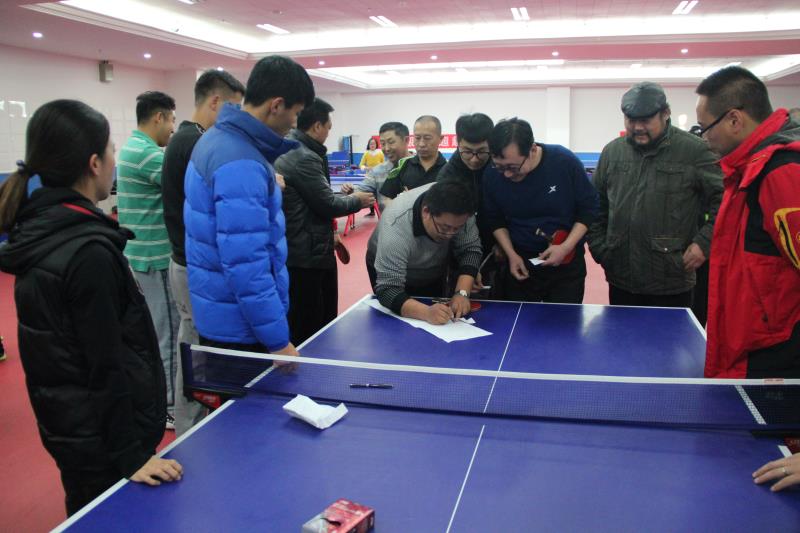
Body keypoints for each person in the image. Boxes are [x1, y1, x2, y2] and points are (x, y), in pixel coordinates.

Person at [0, 100, 183, 516]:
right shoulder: (87, 253)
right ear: (95, 163)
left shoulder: (41, 228)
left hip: (72, 427)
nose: (115, 161)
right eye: (112, 151)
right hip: (103, 443)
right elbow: (104, 363)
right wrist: (130, 455)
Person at [184, 55, 314, 358]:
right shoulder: (241, 162)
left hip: (221, 315)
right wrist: (277, 340)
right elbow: (246, 264)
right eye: (296, 113)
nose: (295, 123)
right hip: (240, 329)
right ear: (276, 105)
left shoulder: (216, 139)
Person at [695, 66, 800, 378]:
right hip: (754, 345)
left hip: (776, 355)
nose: (704, 139)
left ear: (734, 120)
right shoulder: (747, 168)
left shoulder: (782, 172)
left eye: (705, 128)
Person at [587, 82, 723, 308]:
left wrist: (704, 243)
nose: (638, 127)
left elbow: (725, 199)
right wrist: (601, 249)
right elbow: (595, 205)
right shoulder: (612, 152)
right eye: (631, 120)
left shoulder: (695, 151)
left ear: (665, 113)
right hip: (621, 277)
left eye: (645, 120)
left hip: (672, 279)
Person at [161, 69, 245, 436]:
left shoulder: (187, 138)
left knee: (194, 343)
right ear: (215, 102)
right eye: (234, 108)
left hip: (186, 261)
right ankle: (189, 431)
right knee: (196, 349)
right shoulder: (195, 143)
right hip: (191, 265)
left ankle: (190, 425)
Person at [275, 98, 374, 345]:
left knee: (310, 318)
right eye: (328, 127)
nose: (329, 133)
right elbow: (327, 204)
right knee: (314, 324)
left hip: (301, 246)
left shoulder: (294, 149)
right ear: (317, 126)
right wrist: (358, 200)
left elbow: (314, 199)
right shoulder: (303, 156)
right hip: (307, 254)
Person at [483, 118, 599, 303]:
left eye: (513, 167)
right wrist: (511, 254)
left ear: (532, 149)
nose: (507, 174)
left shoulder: (564, 162)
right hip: (520, 262)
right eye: (500, 167)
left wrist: (566, 247)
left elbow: (589, 208)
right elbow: (495, 218)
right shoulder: (491, 174)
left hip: (566, 262)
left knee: (564, 319)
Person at [117, 91, 180, 425]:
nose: (173, 129)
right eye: (172, 121)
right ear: (159, 117)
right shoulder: (148, 155)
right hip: (155, 259)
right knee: (168, 334)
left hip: (142, 256)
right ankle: (168, 406)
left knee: (158, 331)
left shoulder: (132, 148)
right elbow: (188, 180)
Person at [367, 181, 482, 325]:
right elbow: (387, 290)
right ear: (426, 212)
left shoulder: (461, 210)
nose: (450, 235)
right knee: (400, 325)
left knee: (438, 319)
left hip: (433, 268)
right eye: (444, 228)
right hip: (389, 268)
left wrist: (462, 293)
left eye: (457, 228)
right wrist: (426, 312)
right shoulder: (396, 225)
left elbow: (470, 249)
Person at [437, 113, 495, 287]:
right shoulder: (447, 177)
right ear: (458, 142)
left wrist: (502, 243)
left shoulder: (501, 167)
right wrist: (468, 266)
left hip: (499, 247)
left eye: (482, 152)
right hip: (460, 249)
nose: (474, 159)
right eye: (467, 151)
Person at [341, 121, 410, 210]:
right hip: (387, 219)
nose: (386, 148)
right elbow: (361, 191)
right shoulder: (377, 171)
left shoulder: (421, 166)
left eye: (391, 142)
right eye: (383, 144)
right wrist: (351, 191)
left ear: (406, 140)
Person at [379, 115, 447, 201]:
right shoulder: (401, 167)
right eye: (417, 138)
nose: (421, 144)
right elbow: (387, 198)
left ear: (440, 139)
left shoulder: (450, 170)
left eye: (427, 138)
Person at [358, 137, 384, 216]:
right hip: (369, 176)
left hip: (379, 176)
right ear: (368, 145)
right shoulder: (366, 153)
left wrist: (379, 167)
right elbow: (361, 165)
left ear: (376, 144)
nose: (372, 145)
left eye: (374, 143)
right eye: (371, 144)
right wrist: (366, 168)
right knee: (370, 194)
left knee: (379, 194)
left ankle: (382, 212)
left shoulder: (380, 153)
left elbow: (384, 164)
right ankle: (372, 211)